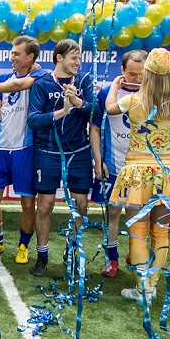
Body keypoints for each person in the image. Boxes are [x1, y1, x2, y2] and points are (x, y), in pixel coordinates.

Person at [106, 48, 170, 303]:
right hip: (167, 172)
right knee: (161, 232)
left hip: (137, 173)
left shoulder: (133, 101)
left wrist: (115, 85)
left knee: (138, 231)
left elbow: (109, 108)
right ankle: (151, 285)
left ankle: (143, 289)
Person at [27, 39, 101, 277]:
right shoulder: (42, 84)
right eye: (73, 58)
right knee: (45, 205)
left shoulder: (85, 80)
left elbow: (97, 112)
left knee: (81, 205)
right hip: (48, 152)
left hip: (79, 153)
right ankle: (42, 256)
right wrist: (63, 111)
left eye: (79, 58)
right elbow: (33, 120)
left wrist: (78, 102)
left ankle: (72, 252)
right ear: (59, 57)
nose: (78, 62)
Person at [0, 35, 47, 263]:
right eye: (11, 52)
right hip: (1, 149)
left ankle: (23, 246)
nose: (11, 57)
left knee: (27, 204)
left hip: (25, 149)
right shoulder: (4, 78)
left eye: (16, 53)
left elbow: (18, 85)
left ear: (30, 57)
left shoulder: (39, 76)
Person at [90, 50, 147, 277]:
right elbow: (94, 129)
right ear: (122, 70)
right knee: (111, 214)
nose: (137, 79)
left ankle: (135, 253)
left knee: (137, 215)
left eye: (142, 74)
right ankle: (111, 259)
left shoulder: (152, 93)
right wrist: (98, 160)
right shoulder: (106, 93)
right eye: (132, 74)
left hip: (140, 168)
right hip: (112, 166)